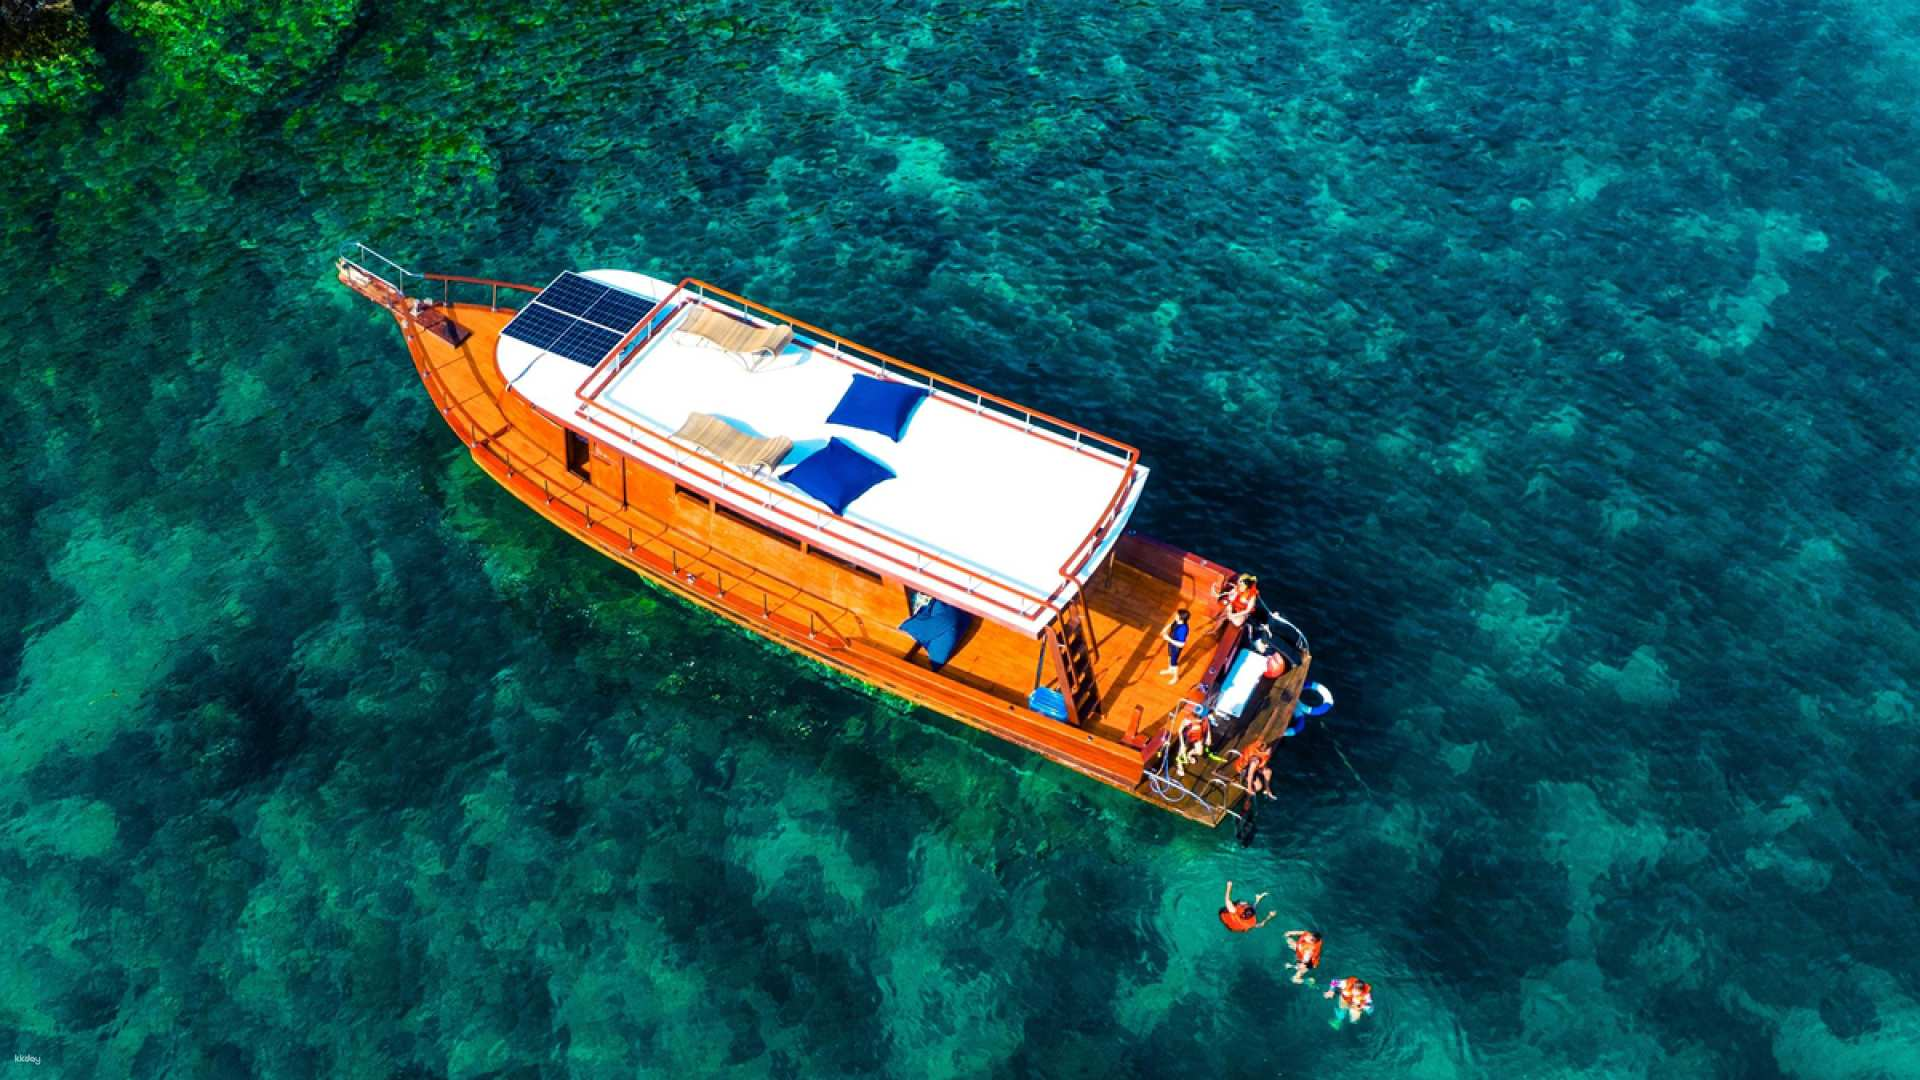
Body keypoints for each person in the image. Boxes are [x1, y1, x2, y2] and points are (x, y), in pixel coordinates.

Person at [1175, 707, 1211, 777]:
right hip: (1188, 737)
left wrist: (1209, 735)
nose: (1201, 719)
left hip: (1198, 736)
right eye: (1200, 718)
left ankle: (1189, 754)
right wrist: (1182, 744)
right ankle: (1179, 765)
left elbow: (1207, 723)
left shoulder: (1205, 717)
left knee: (1200, 752)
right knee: (1182, 751)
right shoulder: (1188, 720)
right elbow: (1180, 731)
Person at [1159, 608, 1191, 681]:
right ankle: (1170, 670)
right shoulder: (1178, 621)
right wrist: (1165, 628)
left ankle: (1176, 677)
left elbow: (1181, 644)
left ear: (1181, 618)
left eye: (1177, 615)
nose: (1175, 615)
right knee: (1169, 657)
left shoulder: (1182, 629)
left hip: (1176, 647)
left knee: (1174, 662)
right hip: (1171, 643)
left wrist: (1168, 639)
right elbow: (1172, 624)